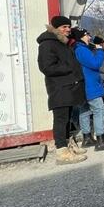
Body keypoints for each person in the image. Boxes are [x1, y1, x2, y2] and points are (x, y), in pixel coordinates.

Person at [36, 16, 87, 165]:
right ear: (55, 28)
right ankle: (62, 152)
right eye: (64, 27)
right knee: (60, 120)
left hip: (69, 87)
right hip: (59, 88)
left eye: (68, 26)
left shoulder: (63, 42)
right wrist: (70, 68)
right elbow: (46, 67)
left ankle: (68, 145)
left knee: (67, 119)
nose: (67, 29)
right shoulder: (47, 44)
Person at [71, 28, 104, 151]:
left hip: (84, 86)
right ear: (81, 36)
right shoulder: (82, 50)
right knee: (99, 111)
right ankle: (100, 141)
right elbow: (96, 64)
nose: (89, 37)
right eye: (87, 35)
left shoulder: (78, 49)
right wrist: (100, 50)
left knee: (85, 111)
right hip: (91, 85)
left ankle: (87, 138)